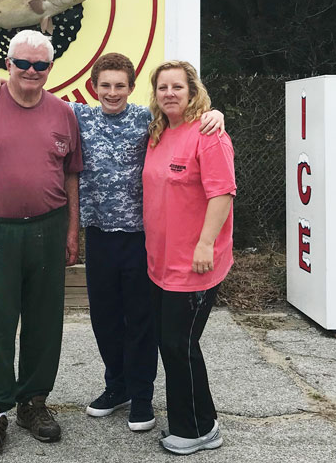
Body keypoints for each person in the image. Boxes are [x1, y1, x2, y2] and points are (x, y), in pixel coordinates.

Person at [0, 53, 224, 434]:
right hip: (100, 236)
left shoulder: (147, 120)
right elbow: (31, 90)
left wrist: (216, 113)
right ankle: (117, 386)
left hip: (141, 237)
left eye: (120, 85)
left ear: (131, 87)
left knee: (139, 322)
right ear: (94, 87)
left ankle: (141, 395)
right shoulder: (78, 116)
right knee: (105, 319)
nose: (112, 92)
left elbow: (186, 117)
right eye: (105, 85)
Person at [0, 29, 82, 459]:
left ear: (50, 69)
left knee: (44, 321)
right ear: (7, 64)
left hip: (48, 227)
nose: (30, 71)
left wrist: (72, 231)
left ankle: (33, 403)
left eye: (40, 65)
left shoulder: (63, 113)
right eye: (22, 63)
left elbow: (71, 176)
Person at [142, 60, 236, 456]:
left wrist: (204, 245)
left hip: (194, 265)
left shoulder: (209, 135)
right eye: (162, 87)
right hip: (161, 264)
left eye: (177, 87)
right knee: (173, 344)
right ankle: (194, 417)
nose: (169, 94)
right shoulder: (159, 133)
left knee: (179, 345)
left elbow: (222, 193)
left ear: (192, 90)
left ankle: (198, 428)